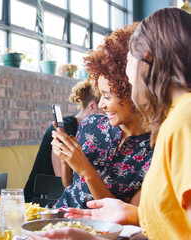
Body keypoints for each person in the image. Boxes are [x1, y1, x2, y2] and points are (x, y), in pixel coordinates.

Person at [37, 7, 191, 240]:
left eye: (129, 61)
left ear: (146, 58)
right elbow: (168, 220)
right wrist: (126, 213)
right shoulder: (176, 119)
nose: (129, 75)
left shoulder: (181, 121)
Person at [51, 22, 153, 209]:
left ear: (135, 93)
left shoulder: (155, 150)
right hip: (60, 216)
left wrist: (86, 170)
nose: (100, 105)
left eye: (107, 96)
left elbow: (126, 218)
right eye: (100, 95)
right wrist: (66, 158)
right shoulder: (92, 125)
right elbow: (70, 186)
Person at [24, 80, 102, 203]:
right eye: (103, 109)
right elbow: (61, 178)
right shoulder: (65, 129)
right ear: (92, 106)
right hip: (41, 201)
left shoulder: (86, 132)